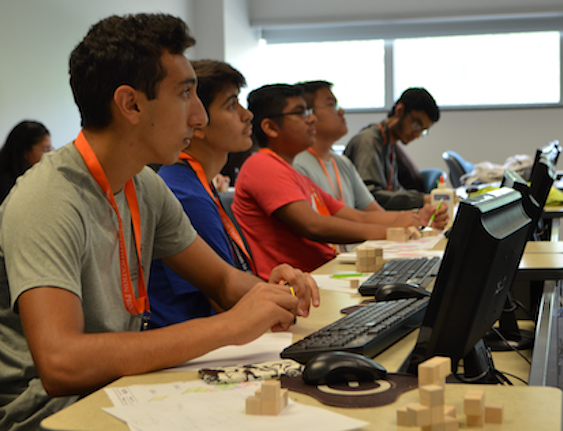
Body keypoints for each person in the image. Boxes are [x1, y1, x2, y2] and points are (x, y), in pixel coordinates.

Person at [0, 14, 318, 430]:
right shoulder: (47, 198)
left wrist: (271, 293)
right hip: (51, 413)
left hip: (120, 390)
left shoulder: (143, 185)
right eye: (186, 94)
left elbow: (222, 282)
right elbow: (62, 364)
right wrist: (228, 326)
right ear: (131, 104)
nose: (199, 117)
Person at [232, 84, 447, 279]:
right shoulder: (262, 164)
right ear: (270, 127)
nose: (311, 118)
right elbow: (314, 225)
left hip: (322, 276)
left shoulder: (293, 174)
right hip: (298, 287)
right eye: (300, 113)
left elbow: (359, 217)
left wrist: (415, 217)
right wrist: (392, 230)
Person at [148, 59, 257, 327]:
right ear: (198, 124)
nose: (247, 115)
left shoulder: (195, 182)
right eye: (232, 105)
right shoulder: (184, 193)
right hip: (189, 350)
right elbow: (226, 300)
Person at [293, 80, 443, 220]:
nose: (341, 111)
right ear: (309, 116)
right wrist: (419, 206)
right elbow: (365, 210)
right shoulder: (368, 142)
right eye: (332, 105)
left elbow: (368, 215)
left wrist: (418, 217)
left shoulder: (342, 162)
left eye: (422, 131)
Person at [344, 87, 440, 210]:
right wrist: (421, 200)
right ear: (400, 110)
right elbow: (370, 198)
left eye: (423, 131)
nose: (417, 134)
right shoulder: (369, 143)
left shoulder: (389, 143)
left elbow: (393, 191)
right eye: (416, 125)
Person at [0, 120, 52, 202]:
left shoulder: (36, 175)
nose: (50, 154)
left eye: (50, 149)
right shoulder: (5, 185)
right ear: (25, 152)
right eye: (45, 149)